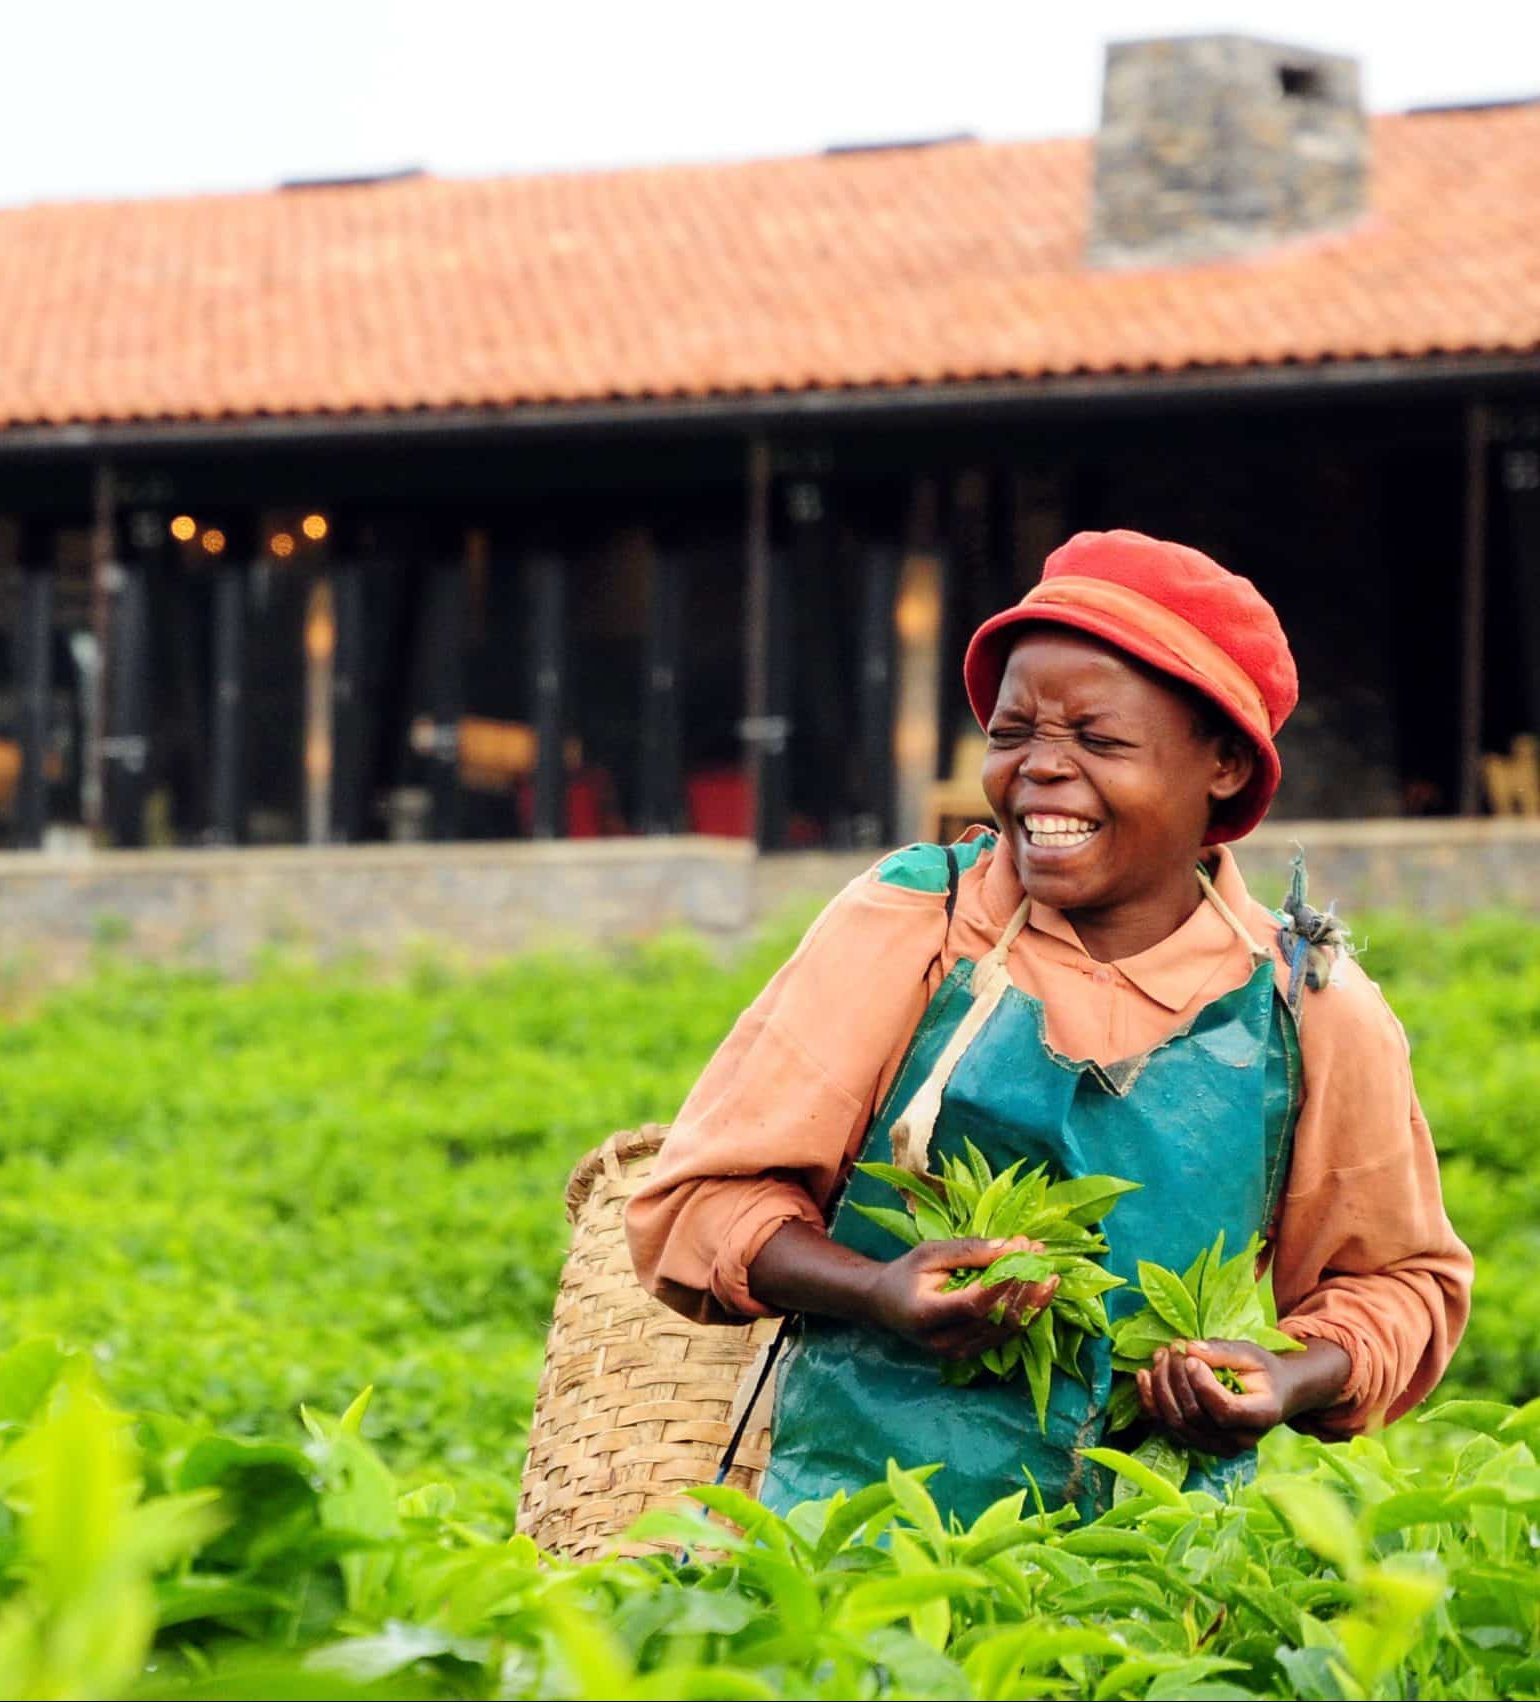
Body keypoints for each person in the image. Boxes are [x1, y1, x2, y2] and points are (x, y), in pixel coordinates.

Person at [626, 529, 1472, 1524]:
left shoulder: (1308, 1003)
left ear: (1226, 766)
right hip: (855, 1549)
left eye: (1098, 739)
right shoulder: (914, 924)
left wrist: (1284, 1380)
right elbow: (695, 1208)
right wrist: (876, 1288)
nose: (1039, 770)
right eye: (1013, 732)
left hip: (1149, 1569)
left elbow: (1399, 1285)